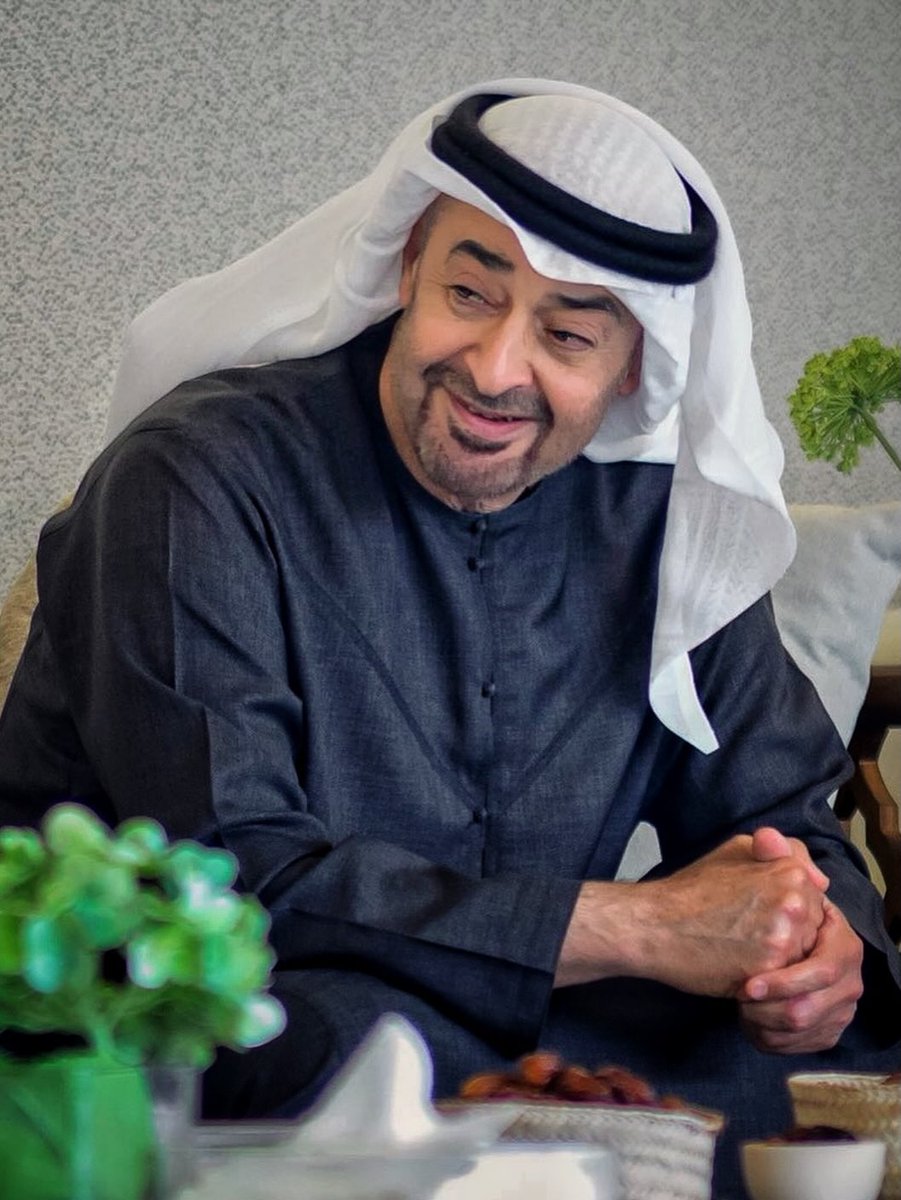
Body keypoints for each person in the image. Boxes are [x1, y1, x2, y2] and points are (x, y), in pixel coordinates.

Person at [0, 81, 898, 1196]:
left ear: (633, 364)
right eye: (470, 293)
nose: (495, 368)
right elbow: (232, 875)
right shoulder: (196, 481)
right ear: (409, 263)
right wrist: (634, 927)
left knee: (822, 1072)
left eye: (565, 333)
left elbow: (783, 818)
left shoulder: (662, 525)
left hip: (534, 1019)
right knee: (340, 1053)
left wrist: (814, 950)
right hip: (255, 1009)